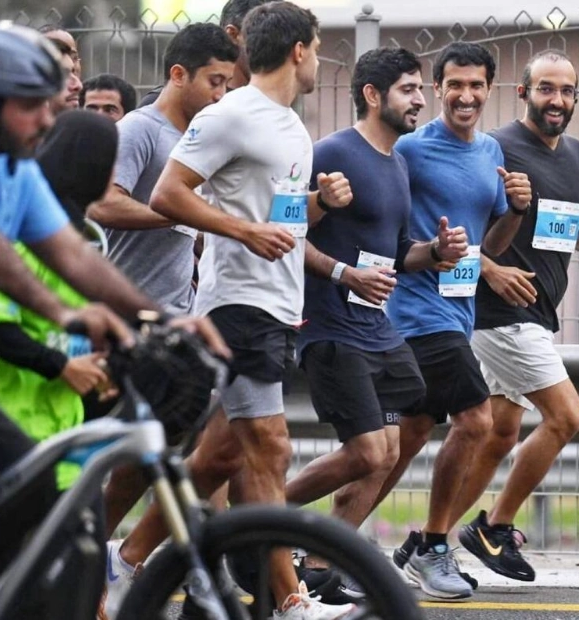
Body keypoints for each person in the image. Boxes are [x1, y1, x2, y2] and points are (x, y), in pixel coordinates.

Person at [0, 23, 228, 620]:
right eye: (30, 107)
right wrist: (62, 312)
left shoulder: (14, 168)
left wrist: (157, 318)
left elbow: (73, 254)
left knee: (30, 493)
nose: (47, 122)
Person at [150, 2, 355, 618]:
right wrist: (241, 233)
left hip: (276, 307)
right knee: (271, 448)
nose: (320, 59)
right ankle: (292, 598)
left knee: (221, 456)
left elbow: (284, 225)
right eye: (318, 48)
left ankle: (129, 558)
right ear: (298, 50)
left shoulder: (291, 126)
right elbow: (167, 194)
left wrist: (320, 203)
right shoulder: (231, 114)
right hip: (234, 301)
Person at [283, 45, 468, 569]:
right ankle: (255, 515)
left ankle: (319, 568)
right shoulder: (333, 153)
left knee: (388, 452)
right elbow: (289, 235)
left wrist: (435, 254)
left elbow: (397, 254)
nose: (419, 101)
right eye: (408, 90)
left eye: (418, 90)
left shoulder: (398, 163)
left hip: (377, 331)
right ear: (372, 95)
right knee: (367, 451)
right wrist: (345, 273)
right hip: (330, 329)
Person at [366, 41, 531, 601]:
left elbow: (492, 245)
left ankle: (321, 548)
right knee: (478, 421)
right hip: (415, 309)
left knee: (405, 440)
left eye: (476, 85)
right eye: (454, 85)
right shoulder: (409, 148)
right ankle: (434, 545)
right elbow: (384, 224)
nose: (465, 95)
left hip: (457, 312)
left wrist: (516, 211)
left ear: (490, 89)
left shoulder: (490, 154)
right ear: (438, 89)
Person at [445, 49, 579, 583]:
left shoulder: (573, 158)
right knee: (567, 416)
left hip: (539, 314)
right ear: (523, 93)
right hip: (498, 313)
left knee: (500, 433)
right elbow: (451, 227)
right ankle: (494, 527)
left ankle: (427, 541)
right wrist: (490, 268)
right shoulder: (495, 146)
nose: (558, 100)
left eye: (567, 91)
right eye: (546, 89)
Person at [0, 111, 120, 490]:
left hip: (57, 437)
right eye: (113, 162)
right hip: (6, 433)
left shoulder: (75, 236)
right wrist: (60, 365)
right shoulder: (26, 238)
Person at [88, 22, 238, 313]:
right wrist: (180, 212)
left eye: (226, 84)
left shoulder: (195, 139)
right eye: (214, 81)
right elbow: (103, 205)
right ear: (179, 75)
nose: (220, 94)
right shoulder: (140, 128)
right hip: (127, 316)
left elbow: (181, 229)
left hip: (179, 314)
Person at [137, 0, 272, 107]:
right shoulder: (164, 105)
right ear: (233, 34)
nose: (274, 52)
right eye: (262, 40)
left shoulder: (268, 102)